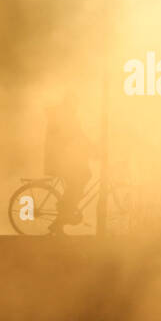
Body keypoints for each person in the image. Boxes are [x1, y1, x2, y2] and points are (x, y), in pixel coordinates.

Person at [44, 91, 94, 234]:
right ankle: (64, 212)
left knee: (81, 179)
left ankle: (64, 214)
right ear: (70, 102)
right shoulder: (66, 117)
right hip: (63, 159)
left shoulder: (64, 115)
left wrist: (88, 148)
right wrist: (92, 149)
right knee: (80, 180)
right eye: (75, 103)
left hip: (64, 158)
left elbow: (77, 136)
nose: (77, 106)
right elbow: (76, 136)